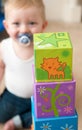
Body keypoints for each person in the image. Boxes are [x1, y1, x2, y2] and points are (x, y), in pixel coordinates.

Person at [0, 0, 48, 130]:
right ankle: (23, 117)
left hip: (40, 96)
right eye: (16, 23)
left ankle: (17, 122)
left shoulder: (46, 48)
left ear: (43, 26)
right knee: (1, 116)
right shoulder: (5, 46)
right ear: (7, 26)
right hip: (13, 95)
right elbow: (1, 67)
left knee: (48, 115)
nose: (24, 29)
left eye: (32, 23)